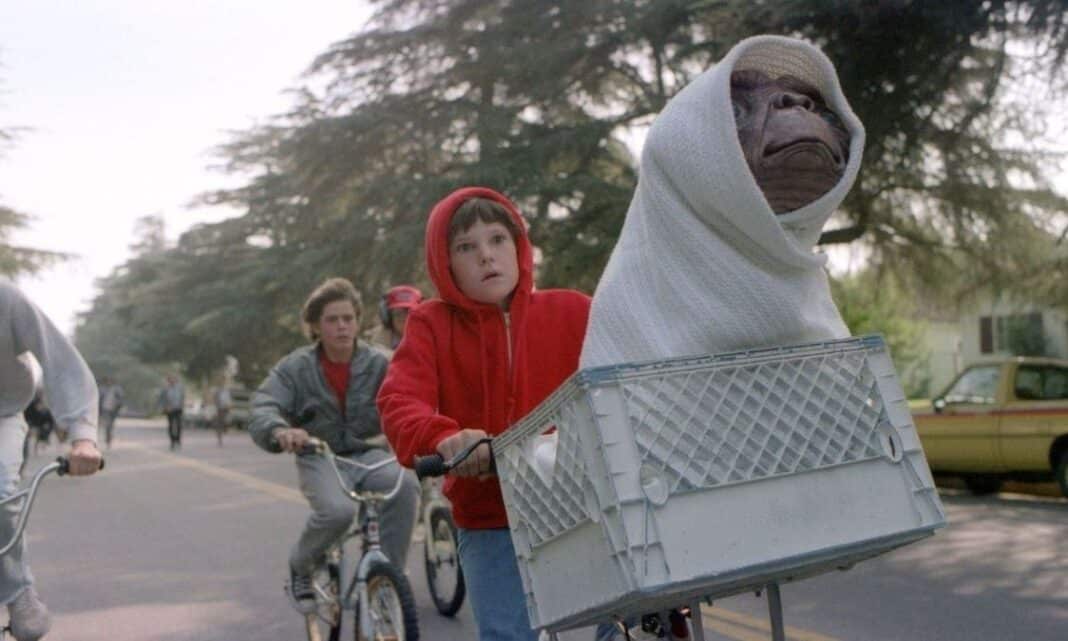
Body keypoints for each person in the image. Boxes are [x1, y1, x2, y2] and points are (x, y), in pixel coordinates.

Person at [377, 187, 591, 641]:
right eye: (465, 247)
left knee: (634, 623)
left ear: (519, 246)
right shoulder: (430, 323)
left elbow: (621, 372)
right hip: (491, 514)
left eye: (497, 239)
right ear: (445, 263)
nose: (486, 256)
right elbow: (399, 402)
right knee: (507, 634)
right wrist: (445, 438)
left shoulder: (574, 310)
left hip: (585, 505)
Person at [580, 34, 864, 368]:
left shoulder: (816, 312)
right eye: (737, 111)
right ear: (685, 159)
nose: (797, 102)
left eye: (819, 109)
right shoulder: (628, 322)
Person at [248, 277, 419, 603]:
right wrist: (280, 431)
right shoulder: (295, 367)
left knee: (404, 488)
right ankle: (301, 564)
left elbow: (414, 396)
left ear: (357, 321)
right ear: (315, 326)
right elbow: (264, 405)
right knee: (338, 512)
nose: (342, 326)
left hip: (370, 452)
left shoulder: (381, 362)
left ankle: (387, 581)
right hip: (319, 454)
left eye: (348, 318)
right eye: (332, 319)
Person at [0, 281, 103, 641]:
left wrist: (82, 437)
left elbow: (60, 361)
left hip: (2, 412)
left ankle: (18, 593)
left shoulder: (5, 298)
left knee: (0, 491)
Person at [370, 285, 423, 353]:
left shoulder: (428, 339)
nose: (403, 318)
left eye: (408, 312)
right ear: (388, 316)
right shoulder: (376, 345)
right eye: (398, 313)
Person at [157, 375, 185, 451]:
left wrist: (182, 405)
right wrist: (164, 407)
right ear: (168, 381)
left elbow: (182, 397)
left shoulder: (179, 388)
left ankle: (178, 440)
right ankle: (172, 441)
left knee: (179, 425)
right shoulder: (165, 389)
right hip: (169, 409)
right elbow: (161, 399)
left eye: (173, 379)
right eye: (170, 380)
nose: (172, 381)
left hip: (178, 409)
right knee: (171, 425)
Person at [97, 376, 124, 448]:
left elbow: (121, 400)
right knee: (105, 425)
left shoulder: (117, 389)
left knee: (110, 426)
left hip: (113, 410)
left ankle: (108, 440)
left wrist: (118, 407)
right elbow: (99, 399)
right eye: (107, 381)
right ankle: (106, 440)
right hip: (104, 410)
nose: (109, 382)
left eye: (110, 381)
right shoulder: (102, 389)